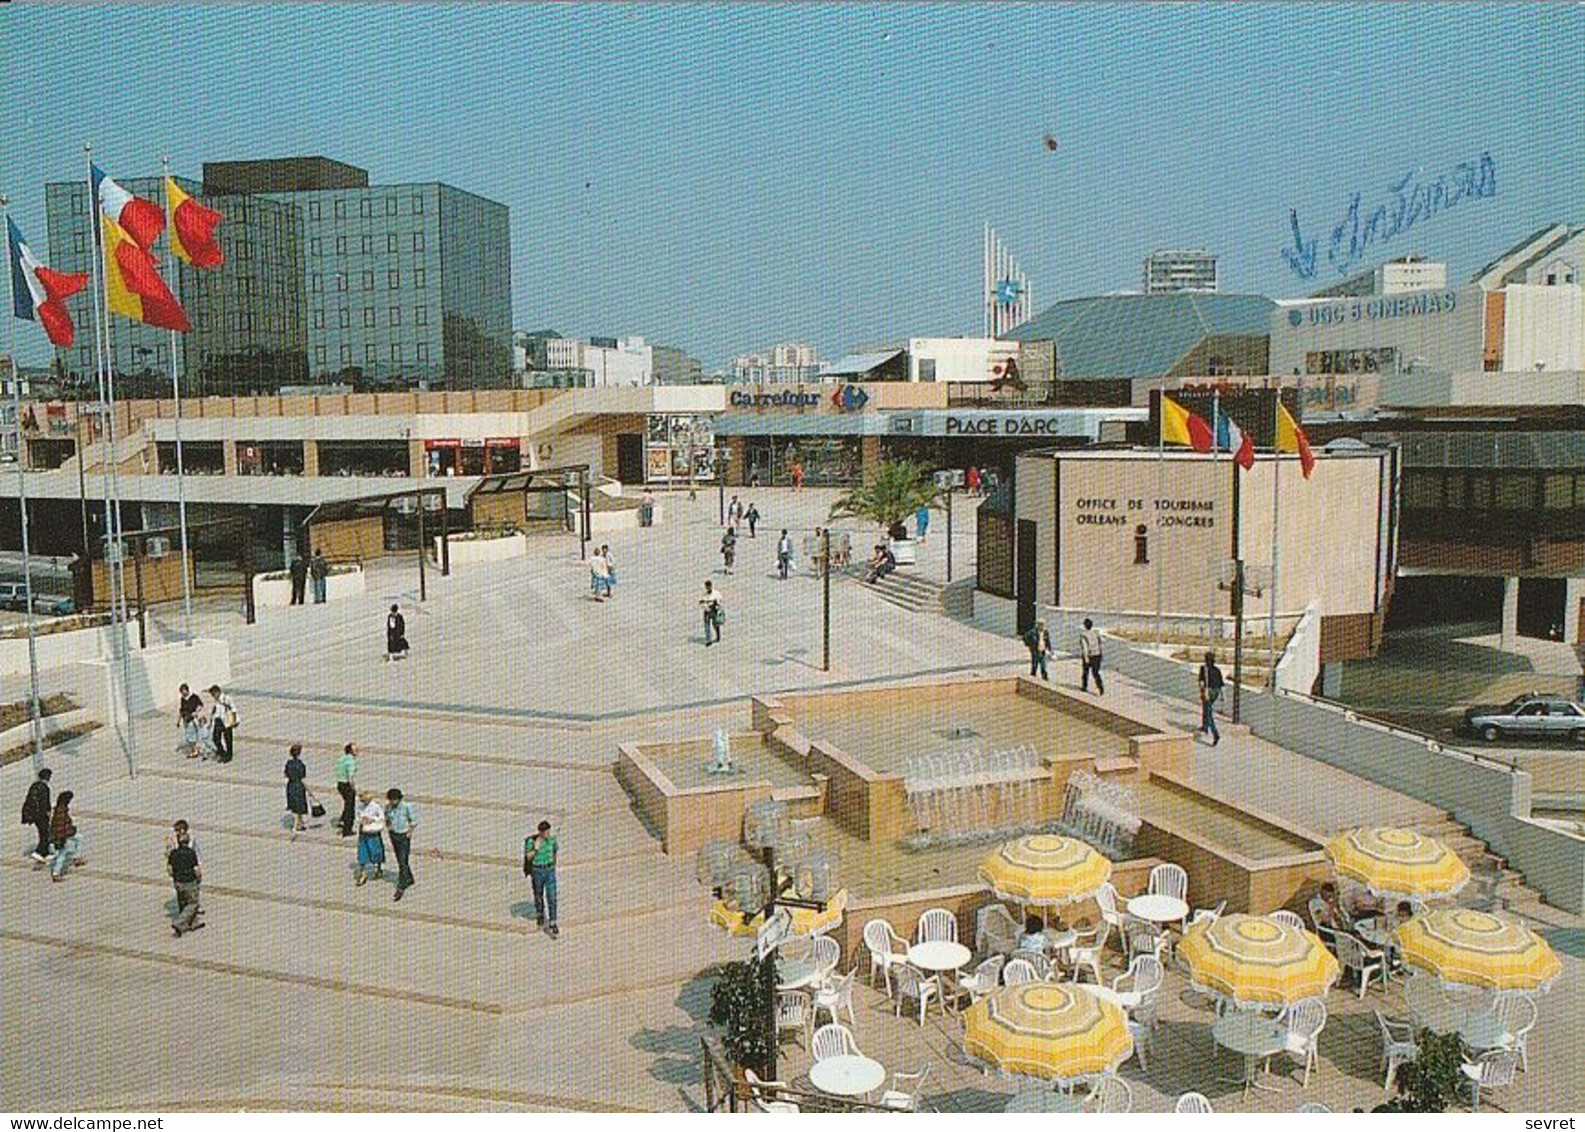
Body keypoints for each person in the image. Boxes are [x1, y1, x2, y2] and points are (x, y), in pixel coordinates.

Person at [524, 819, 559, 937]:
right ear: (540, 832)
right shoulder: (531, 841)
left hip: (549, 870)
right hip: (537, 870)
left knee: (552, 895)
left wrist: (553, 864)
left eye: (549, 832)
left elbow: (555, 851)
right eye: (546, 833)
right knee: (538, 895)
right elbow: (528, 857)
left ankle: (553, 921)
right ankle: (540, 914)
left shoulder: (552, 840)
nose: (548, 835)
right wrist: (536, 848)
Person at [166, 827, 204, 937]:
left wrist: (175, 877)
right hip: (189, 881)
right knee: (193, 903)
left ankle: (186, 925)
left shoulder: (173, 853)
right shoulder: (191, 853)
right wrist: (198, 878)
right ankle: (179, 923)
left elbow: (169, 869)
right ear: (187, 842)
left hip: (178, 882)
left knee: (182, 902)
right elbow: (196, 869)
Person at [385, 788, 417, 901]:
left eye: (394, 800)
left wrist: (410, 831)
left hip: (404, 836)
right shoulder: (388, 807)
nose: (393, 802)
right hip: (394, 834)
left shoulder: (406, 807)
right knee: (400, 859)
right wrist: (388, 827)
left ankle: (401, 886)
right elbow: (387, 817)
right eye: (391, 800)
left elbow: (413, 820)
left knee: (403, 861)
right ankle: (409, 878)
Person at [21, 767, 52, 864]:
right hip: (40, 815)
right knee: (45, 833)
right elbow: (44, 803)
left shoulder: (34, 785)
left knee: (44, 832)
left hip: (33, 814)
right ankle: (39, 852)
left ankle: (45, 852)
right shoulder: (44, 788)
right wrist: (47, 812)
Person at [355, 791, 386, 886]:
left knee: (376, 850)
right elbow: (357, 817)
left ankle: (378, 867)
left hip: (373, 831)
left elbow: (381, 817)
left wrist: (372, 819)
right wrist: (362, 820)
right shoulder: (360, 807)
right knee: (362, 852)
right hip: (363, 831)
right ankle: (363, 873)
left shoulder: (375, 806)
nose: (363, 802)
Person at [48, 791, 80, 881]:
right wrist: (70, 832)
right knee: (62, 854)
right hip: (61, 836)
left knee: (79, 838)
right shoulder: (61, 812)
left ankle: (76, 857)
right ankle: (56, 873)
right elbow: (61, 827)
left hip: (63, 834)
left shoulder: (61, 809)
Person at [1197, 651, 1224, 745]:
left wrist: (1203, 692)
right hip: (1215, 692)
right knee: (1206, 707)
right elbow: (1221, 684)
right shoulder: (1217, 670)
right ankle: (1204, 727)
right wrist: (1222, 696)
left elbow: (1201, 683)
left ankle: (1215, 733)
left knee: (1208, 713)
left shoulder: (1203, 669)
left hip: (1208, 691)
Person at [335, 742, 359, 837]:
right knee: (350, 807)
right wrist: (353, 787)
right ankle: (347, 829)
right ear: (351, 751)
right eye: (355, 749)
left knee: (347, 803)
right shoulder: (351, 761)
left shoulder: (342, 758)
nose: (357, 751)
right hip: (346, 785)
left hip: (340, 784)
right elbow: (350, 775)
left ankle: (342, 820)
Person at [208, 685, 237, 763]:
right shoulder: (216, 700)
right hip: (218, 720)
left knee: (228, 739)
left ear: (218, 692)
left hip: (227, 720)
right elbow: (215, 708)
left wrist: (233, 721)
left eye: (213, 694)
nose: (213, 696)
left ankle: (229, 755)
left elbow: (233, 709)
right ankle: (221, 752)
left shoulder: (226, 698)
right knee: (215, 738)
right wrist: (211, 719)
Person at [284, 744, 309, 833]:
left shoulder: (288, 763)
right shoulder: (301, 764)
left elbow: (286, 774)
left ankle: (301, 823)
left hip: (290, 785)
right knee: (299, 807)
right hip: (298, 786)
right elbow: (303, 776)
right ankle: (295, 827)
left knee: (295, 806)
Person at [176, 684, 205, 759]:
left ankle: (196, 751)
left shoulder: (194, 697)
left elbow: (201, 705)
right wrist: (178, 720)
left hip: (193, 719)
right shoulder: (183, 699)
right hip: (186, 720)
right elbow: (181, 710)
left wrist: (196, 712)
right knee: (188, 736)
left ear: (187, 690)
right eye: (181, 692)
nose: (182, 693)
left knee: (194, 735)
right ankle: (194, 750)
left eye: (183, 691)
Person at [1079, 619, 1105, 696]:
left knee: (1085, 671)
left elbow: (1085, 647)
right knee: (1096, 673)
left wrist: (1086, 657)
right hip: (1097, 654)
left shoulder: (1083, 635)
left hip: (1090, 655)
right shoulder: (1096, 633)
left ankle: (1084, 686)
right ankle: (1100, 687)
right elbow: (1102, 641)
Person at [700, 580, 723, 646]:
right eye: (707, 587)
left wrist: (716, 604)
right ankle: (708, 640)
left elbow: (720, 600)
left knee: (715, 624)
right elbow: (702, 603)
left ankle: (718, 635)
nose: (708, 588)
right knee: (707, 626)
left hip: (714, 611)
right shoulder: (704, 595)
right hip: (707, 612)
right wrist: (706, 607)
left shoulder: (716, 593)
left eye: (709, 586)